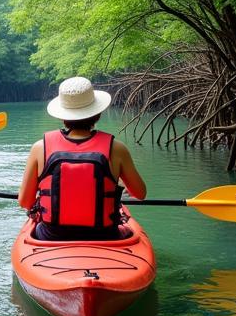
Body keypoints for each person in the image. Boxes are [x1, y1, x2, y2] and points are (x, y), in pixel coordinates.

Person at [18, 77, 147, 241]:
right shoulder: (117, 148)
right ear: (97, 114)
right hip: (105, 236)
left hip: (51, 236)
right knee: (126, 230)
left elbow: (25, 202)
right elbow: (140, 193)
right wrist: (118, 183)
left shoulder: (39, 148)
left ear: (62, 115)